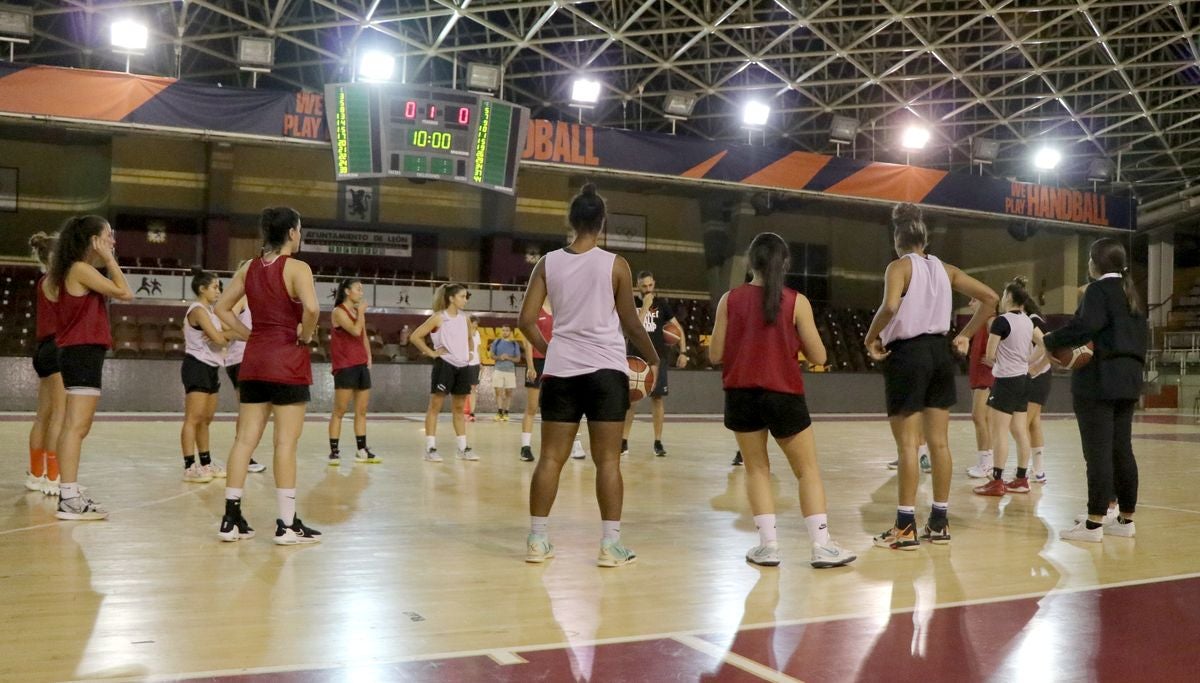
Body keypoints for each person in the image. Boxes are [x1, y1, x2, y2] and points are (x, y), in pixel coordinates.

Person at [520, 183, 659, 567]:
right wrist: (653, 358)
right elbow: (631, 323)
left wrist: (551, 350)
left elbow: (526, 321)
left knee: (550, 458)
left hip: (561, 372)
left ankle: (537, 540)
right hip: (605, 373)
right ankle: (610, 546)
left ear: (572, 220)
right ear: (602, 222)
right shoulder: (615, 264)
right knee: (608, 462)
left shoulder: (547, 263)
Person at [708, 232, 856, 569]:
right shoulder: (796, 301)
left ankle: (768, 547)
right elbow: (819, 354)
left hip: (741, 395)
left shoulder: (729, 300)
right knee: (807, 471)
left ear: (750, 262)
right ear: (785, 263)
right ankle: (821, 546)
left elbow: (715, 354)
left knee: (757, 470)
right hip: (784, 394)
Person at [864, 202, 997, 550]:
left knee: (908, 444)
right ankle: (939, 521)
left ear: (898, 238)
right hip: (941, 355)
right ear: (923, 239)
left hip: (907, 355)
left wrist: (871, 336)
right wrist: (965, 333)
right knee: (939, 443)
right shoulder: (947, 270)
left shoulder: (898, 267)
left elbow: (890, 306)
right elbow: (990, 298)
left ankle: (905, 525)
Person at [213, 206, 321, 545]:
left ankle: (230, 518)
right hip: (287, 360)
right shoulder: (298, 268)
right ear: (291, 232)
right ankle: (287, 524)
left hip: (255, 361)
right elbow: (313, 309)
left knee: (244, 441)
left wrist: (247, 335)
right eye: (299, 230)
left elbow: (220, 308)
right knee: (285, 443)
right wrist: (305, 334)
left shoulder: (248, 268)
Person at [1046, 238, 1145, 542]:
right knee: (1122, 450)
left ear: (1095, 263)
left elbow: (1084, 327)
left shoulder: (1098, 290)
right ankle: (1126, 520)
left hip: (1100, 380)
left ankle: (1093, 524)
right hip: (1129, 379)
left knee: (1098, 453)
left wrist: (1050, 340)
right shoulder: (1132, 294)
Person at [47, 216, 134, 520]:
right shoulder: (81, 269)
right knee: (76, 426)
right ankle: (68, 498)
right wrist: (110, 259)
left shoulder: (72, 270)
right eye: (108, 236)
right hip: (81, 353)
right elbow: (125, 292)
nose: (112, 241)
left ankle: (69, 492)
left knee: (75, 425)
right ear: (92, 240)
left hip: (78, 353)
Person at [972, 278, 1043, 496]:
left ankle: (997, 481)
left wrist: (996, 361)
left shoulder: (1002, 321)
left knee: (999, 431)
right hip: (1023, 380)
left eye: (1003, 295)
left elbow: (991, 353)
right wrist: (1030, 363)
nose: (1001, 299)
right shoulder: (1028, 322)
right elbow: (1046, 343)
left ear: (1010, 298)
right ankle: (1022, 479)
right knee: (1020, 430)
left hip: (1005, 381)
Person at [621, 271, 687, 457]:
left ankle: (658, 442)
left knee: (657, 399)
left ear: (654, 284)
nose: (648, 289)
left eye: (650, 285)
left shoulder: (663, 305)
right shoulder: (631, 303)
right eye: (644, 286)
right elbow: (633, 329)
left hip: (657, 358)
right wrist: (645, 307)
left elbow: (678, 328)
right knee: (631, 400)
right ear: (637, 286)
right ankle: (623, 441)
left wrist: (683, 352)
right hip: (635, 358)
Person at [410, 284, 478, 462]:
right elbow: (415, 336)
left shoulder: (465, 318)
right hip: (445, 366)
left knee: (458, 408)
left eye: (466, 296)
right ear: (451, 298)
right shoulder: (439, 318)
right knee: (435, 406)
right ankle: (430, 448)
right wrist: (432, 353)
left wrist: (469, 352)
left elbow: (469, 339)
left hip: (462, 367)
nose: (465, 300)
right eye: (462, 296)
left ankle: (463, 448)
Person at [180, 271, 234, 484]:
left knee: (206, 419)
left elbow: (227, 335)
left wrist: (223, 335)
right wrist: (223, 336)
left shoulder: (212, 313)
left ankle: (205, 463)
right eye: (215, 287)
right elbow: (221, 340)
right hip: (197, 366)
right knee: (193, 418)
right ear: (202, 289)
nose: (218, 291)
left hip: (212, 367)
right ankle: (189, 466)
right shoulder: (198, 310)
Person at [518, 303, 587, 462]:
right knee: (532, 406)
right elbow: (528, 339)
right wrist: (530, 365)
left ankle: (576, 444)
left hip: (560, 359)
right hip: (538, 360)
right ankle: (525, 447)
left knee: (571, 404)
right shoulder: (535, 309)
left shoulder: (562, 307)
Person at [26, 232, 65, 497]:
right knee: (60, 416)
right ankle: (53, 477)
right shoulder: (58, 282)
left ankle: (35, 474)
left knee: (43, 415)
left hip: (41, 349)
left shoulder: (42, 281)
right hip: (57, 348)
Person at [327, 278, 379, 465]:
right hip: (345, 365)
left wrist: (368, 356)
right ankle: (334, 451)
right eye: (358, 289)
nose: (361, 292)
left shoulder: (358, 312)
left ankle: (361, 449)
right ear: (347, 291)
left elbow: (363, 337)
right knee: (339, 411)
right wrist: (362, 313)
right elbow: (356, 330)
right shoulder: (338, 312)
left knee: (362, 410)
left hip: (360, 365)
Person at [222, 294, 266, 474]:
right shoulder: (242, 298)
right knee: (249, 412)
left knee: (252, 412)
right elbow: (224, 324)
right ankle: (243, 456)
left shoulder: (259, 300)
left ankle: (244, 454)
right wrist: (249, 335)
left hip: (251, 359)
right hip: (241, 359)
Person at [965, 297, 996, 478]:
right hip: (978, 374)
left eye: (974, 300)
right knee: (984, 419)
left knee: (979, 417)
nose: (970, 304)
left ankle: (986, 464)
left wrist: (996, 361)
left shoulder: (991, 320)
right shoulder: (979, 322)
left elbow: (1004, 342)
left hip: (986, 375)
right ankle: (986, 462)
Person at [1023, 289, 1051, 484]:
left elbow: (1046, 344)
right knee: (1034, 424)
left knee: (1021, 425)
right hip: (1042, 375)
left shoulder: (1031, 321)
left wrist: (1031, 365)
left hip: (1037, 376)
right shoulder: (1036, 318)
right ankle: (1039, 471)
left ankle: (1021, 472)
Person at [489, 325, 522, 422]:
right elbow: (492, 355)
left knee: (509, 392)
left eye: (507, 330)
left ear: (510, 332)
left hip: (510, 371)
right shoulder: (497, 342)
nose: (505, 332)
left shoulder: (514, 343)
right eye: (503, 330)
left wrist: (508, 358)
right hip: (498, 370)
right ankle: (499, 412)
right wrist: (500, 357)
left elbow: (518, 359)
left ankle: (506, 412)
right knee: (498, 391)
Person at [465, 314, 482, 422]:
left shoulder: (478, 334)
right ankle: (463, 410)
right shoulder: (464, 333)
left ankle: (472, 412)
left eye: (476, 323)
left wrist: (480, 362)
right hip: (466, 363)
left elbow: (478, 349)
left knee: (473, 388)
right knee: (463, 388)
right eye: (473, 322)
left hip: (475, 363)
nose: (475, 325)